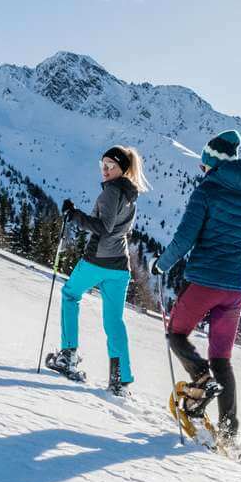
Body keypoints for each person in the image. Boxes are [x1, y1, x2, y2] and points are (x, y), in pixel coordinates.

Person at [151, 130, 241, 441]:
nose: (202, 171)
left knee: (176, 333)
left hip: (204, 281)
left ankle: (201, 378)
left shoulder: (206, 192)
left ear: (212, 164)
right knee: (222, 357)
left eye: (204, 166)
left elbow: (185, 238)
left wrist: (161, 264)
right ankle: (228, 429)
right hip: (236, 286)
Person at [45, 145, 147, 396]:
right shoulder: (131, 194)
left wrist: (74, 214)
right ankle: (120, 379)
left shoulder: (112, 191)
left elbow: (104, 227)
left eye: (111, 165)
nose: (105, 169)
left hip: (98, 261)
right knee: (114, 321)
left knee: (70, 294)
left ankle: (68, 355)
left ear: (122, 168)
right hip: (120, 267)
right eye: (103, 164)